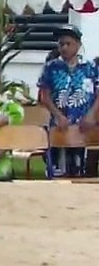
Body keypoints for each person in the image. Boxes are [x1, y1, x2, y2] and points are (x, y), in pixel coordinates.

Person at [36, 25, 98, 177]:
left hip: (84, 124)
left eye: (68, 44)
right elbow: (45, 96)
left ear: (78, 45)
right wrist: (57, 116)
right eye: (61, 44)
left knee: (82, 169)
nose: (64, 48)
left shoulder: (91, 68)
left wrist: (92, 115)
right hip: (60, 124)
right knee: (59, 170)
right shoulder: (51, 68)